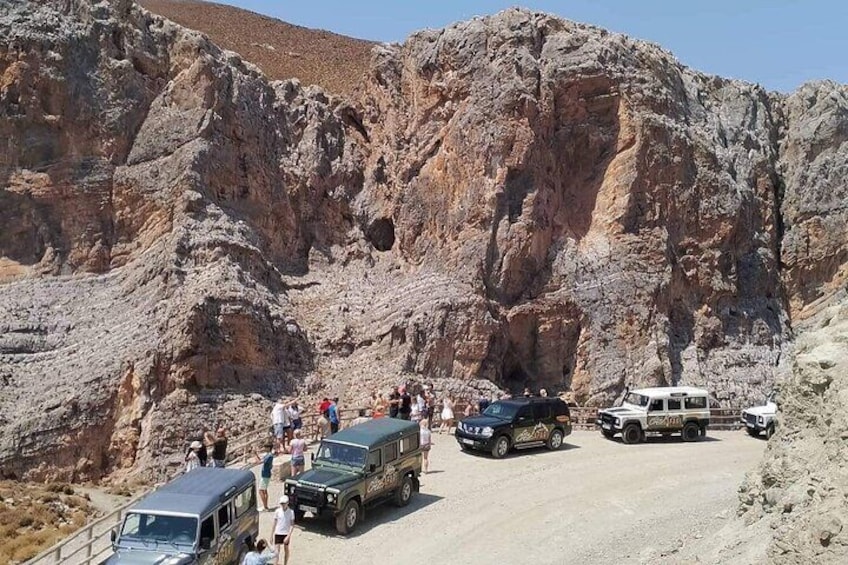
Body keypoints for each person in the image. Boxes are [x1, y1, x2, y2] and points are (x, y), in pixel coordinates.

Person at [272, 495, 295, 565]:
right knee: (276, 551)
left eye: (284, 503)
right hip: (278, 532)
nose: (282, 505)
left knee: (286, 550)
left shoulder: (291, 512)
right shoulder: (277, 511)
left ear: (287, 503)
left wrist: (288, 536)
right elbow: (274, 523)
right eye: (281, 503)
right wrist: (271, 535)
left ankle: (285, 563)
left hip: (285, 533)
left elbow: (292, 525)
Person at [255, 443, 274, 511]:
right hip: (266, 474)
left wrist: (254, 456)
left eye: (266, 447)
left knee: (261, 491)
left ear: (269, 448)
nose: (264, 448)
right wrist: (256, 455)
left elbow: (259, 462)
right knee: (264, 490)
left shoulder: (269, 456)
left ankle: (265, 507)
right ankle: (265, 506)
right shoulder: (268, 455)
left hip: (265, 474)